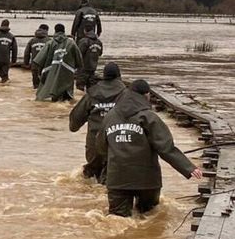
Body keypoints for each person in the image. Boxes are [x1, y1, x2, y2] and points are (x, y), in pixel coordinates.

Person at [96, 80, 203, 217]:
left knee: (118, 219)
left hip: (117, 179)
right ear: (146, 95)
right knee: (150, 218)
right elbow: (165, 148)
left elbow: (100, 147)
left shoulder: (110, 117)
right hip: (146, 180)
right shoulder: (149, 117)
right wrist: (188, 168)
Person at [69, 62, 126, 183]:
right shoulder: (126, 94)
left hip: (94, 146)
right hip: (118, 144)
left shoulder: (92, 94)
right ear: (119, 76)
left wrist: (73, 126)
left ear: (104, 76)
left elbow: (75, 120)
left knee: (93, 181)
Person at [33, 23, 83, 101]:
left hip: (51, 75)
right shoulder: (72, 43)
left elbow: (38, 61)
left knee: (51, 97)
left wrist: (40, 74)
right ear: (64, 31)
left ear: (55, 31)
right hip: (67, 75)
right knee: (65, 99)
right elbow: (79, 61)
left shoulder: (49, 43)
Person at [75, 27, 104, 91]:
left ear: (85, 31)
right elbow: (100, 53)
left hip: (83, 68)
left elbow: (78, 54)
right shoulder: (99, 42)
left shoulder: (84, 41)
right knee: (91, 88)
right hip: (93, 68)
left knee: (80, 88)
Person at [23, 24, 50, 89]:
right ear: (46, 31)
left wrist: (26, 63)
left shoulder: (32, 40)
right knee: (45, 86)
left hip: (34, 65)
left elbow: (26, 53)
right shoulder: (49, 41)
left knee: (35, 86)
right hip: (45, 66)